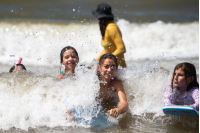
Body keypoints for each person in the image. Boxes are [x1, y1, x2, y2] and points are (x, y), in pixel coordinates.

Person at [92, 3, 127, 68]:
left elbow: (121, 49)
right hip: (110, 68)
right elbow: (107, 50)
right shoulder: (106, 28)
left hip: (118, 69)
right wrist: (96, 61)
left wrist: (106, 59)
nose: (97, 19)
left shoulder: (112, 28)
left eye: (97, 17)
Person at [97, 53, 128, 117]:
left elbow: (125, 104)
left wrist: (118, 110)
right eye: (106, 66)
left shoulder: (116, 83)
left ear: (116, 69)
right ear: (99, 68)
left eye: (113, 67)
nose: (109, 70)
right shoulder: (93, 81)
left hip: (110, 105)